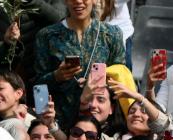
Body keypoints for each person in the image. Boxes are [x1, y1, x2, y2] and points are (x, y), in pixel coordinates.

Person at [34, 0, 125, 128]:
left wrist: (95, 83)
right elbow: (37, 87)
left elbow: (120, 82)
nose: (78, 1)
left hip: (97, 124)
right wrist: (56, 76)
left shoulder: (112, 34)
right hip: (57, 122)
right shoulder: (47, 36)